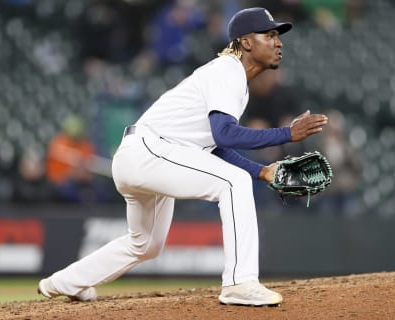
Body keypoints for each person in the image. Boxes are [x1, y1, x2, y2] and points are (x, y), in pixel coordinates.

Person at [38, 7, 328, 306]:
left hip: (150, 155)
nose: (278, 42)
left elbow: (215, 146)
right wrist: (286, 134)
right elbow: (225, 134)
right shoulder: (227, 70)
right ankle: (240, 283)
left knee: (145, 244)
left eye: (278, 36)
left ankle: (64, 282)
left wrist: (261, 171)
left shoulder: (231, 79)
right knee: (233, 183)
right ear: (246, 42)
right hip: (151, 152)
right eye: (269, 35)